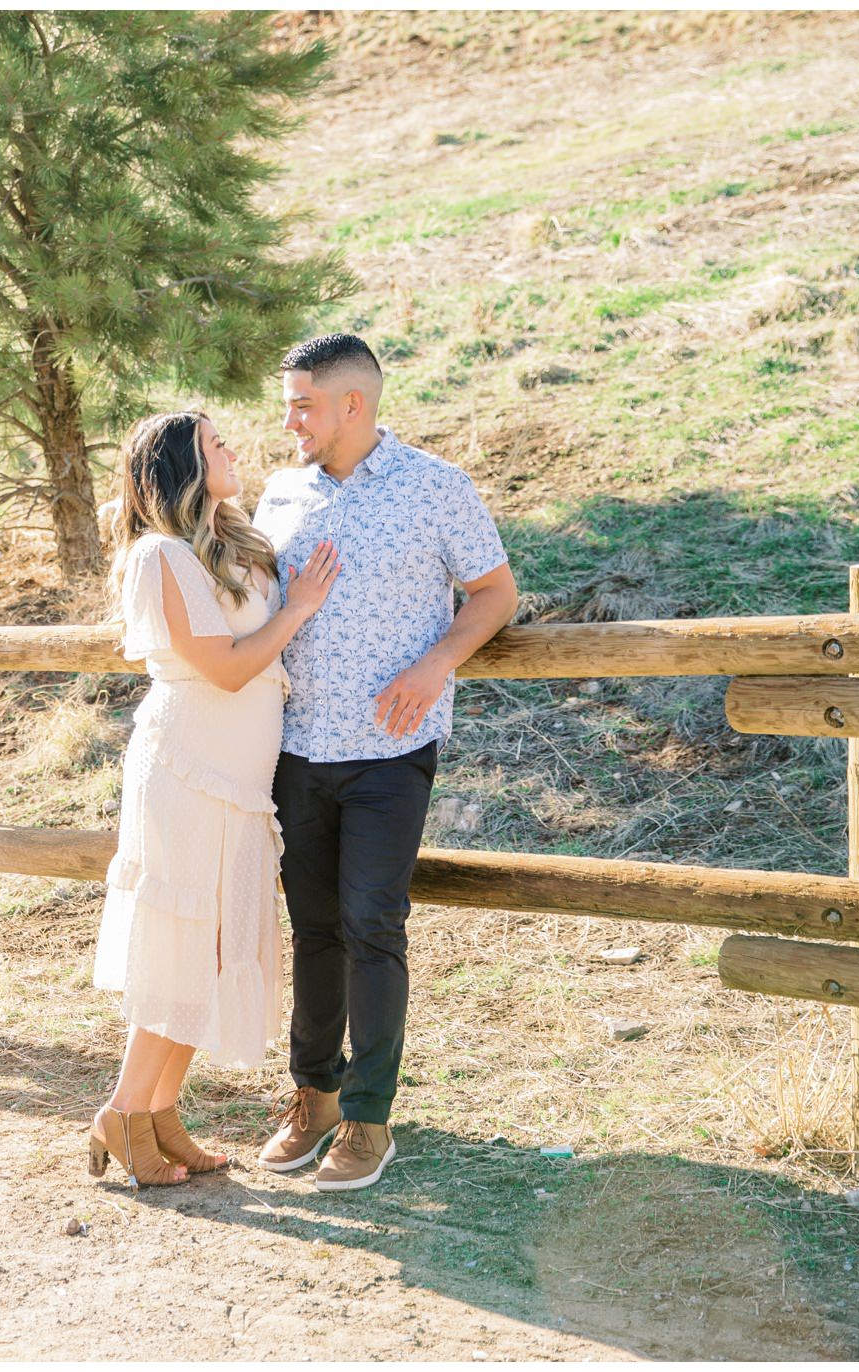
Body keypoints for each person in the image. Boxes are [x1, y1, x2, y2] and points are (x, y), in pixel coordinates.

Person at [252, 334, 517, 1191]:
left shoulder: (436, 488)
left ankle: (368, 1119)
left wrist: (437, 662)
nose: (289, 420)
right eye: (288, 404)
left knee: (373, 923)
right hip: (294, 749)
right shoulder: (280, 493)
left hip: (390, 753)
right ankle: (313, 1098)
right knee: (314, 928)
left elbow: (496, 593)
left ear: (351, 405)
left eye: (302, 404)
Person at [87, 409, 340, 1188]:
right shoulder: (159, 555)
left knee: (217, 943)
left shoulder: (229, 541)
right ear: (179, 469)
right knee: (185, 941)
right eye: (215, 445)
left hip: (240, 780)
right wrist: (299, 609)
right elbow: (225, 669)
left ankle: (161, 1113)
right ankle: (125, 1114)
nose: (233, 451)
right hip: (188, 769)